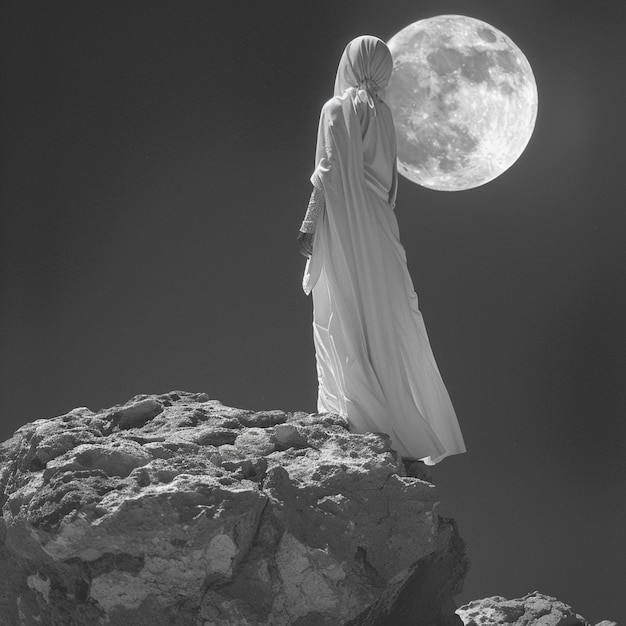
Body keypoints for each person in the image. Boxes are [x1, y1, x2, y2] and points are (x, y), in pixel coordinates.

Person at [298, 36, 466, 465]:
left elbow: (329, 172)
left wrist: (309, 224)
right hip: (379, 224)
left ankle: (356, 408)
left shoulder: (334, 110)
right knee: (385, 312)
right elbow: (390, 188)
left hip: (346, 222)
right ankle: (393, 410)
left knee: (346, 307)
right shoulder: (386, 117)